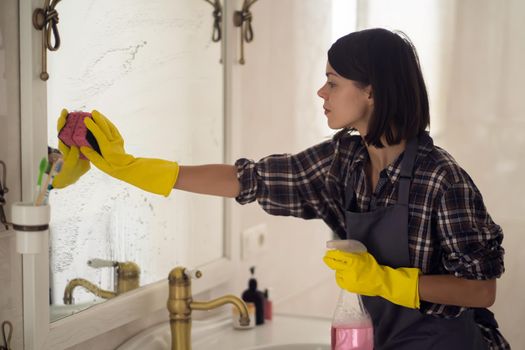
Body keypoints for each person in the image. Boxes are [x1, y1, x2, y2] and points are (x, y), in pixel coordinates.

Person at [53, 28, 509, 349]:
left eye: (332, 82)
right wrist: (136, 169)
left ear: (371, 92)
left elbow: (479, 289)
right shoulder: (343, 161)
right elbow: (247, 179)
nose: (321, 93)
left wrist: (387, 281)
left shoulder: (441, 179)